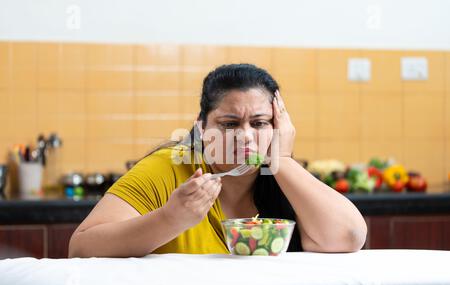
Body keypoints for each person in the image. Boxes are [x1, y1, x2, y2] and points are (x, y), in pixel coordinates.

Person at [68, 64, 367, 258]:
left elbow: (349, 236)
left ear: (279, 128)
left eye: (260, 123)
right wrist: (171, 218)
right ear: (202, 128)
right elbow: (81, 248)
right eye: (229, 123)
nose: (245, 137)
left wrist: (283, 161)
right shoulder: (169, 167)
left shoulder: (284, 177)